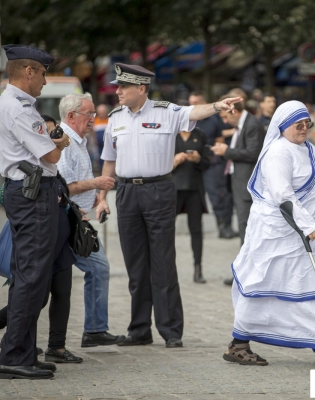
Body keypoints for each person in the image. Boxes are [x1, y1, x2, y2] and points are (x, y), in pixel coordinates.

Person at [96, 63, 241, 348]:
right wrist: (102, 197)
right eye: (118, 86)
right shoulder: (115, 118)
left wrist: (218, 104)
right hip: (126, 192)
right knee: (135, 265)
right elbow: (109, 160)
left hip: (158, 190)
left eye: (123, 86)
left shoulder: (166, 112)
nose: (118, 91)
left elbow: (194, 112)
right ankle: (139, 329)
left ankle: (170, 330)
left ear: (141, 88)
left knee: (162, 262)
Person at [223, 100, 315, 366]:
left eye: (307, 124)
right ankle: (239, 343)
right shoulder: (278, 152)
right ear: (282, 126)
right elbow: (283, 194)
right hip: (278, 235)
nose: (303, 128)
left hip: (311, 235)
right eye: (297, 124)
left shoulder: (310, 149)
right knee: (264, 285)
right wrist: (308, 224)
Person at [0, 115, 80, 369]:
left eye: (56, 133)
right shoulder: (28, 158)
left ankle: (55, 346)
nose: (53, 137)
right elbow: (7, 194)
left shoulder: (53, 158)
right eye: (49, 133)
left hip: (60, 236)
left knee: (62, 292)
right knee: (36, 294)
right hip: (40, 234)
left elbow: (61, 186)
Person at [0, 44, 70, 380]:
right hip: (33, 195)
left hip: (30, 193)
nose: (45, 81)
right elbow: (51, 156)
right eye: (42, 73)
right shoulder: (20, 108)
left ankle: (23, 352)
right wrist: (61, 143)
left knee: (30, 276)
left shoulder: (16, 104)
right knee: (32, 277)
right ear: (28, 72)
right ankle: (13, 356)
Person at [56, 94, 126, 348]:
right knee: (45, 284)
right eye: (89, 114)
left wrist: (95, 197)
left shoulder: (78, 140)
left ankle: (94, 330)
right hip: (66, 220)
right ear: (71, 116)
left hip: (76, 219)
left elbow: (77, 184)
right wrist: (96, 184)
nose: (93, 119)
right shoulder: (63, 141)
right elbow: (64, 187)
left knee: (95, 269)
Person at [210, 96, 265, 286]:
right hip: (238, 183)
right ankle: (244, 271)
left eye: (225, 116)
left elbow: (252, 153)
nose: (225, 121)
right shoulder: (243, 125)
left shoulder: (251, 124)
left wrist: (226, 151)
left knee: (247, 230)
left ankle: (245, 274)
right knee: (244, 229)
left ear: (234, 111)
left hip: (246, 185)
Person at [188, 91, 238, 239]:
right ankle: (221, 227)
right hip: (192, 164)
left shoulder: (214, 120)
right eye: (191, 103)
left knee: (221, 195)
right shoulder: (188, 119)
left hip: (213, 162)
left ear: (203, 102)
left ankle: (225, 227)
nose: (193, 106)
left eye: (196, 102)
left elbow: (220, 139)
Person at [173, 127, 210, 283]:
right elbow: (157, 162)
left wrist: (198, 159)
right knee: (166, 230)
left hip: (194, 188)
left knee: (196, 230)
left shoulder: (200, 134)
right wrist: (173, 162)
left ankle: (198, 268)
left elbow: (207, 163)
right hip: (173, 188)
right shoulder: (170, 134)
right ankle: (166, 269)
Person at [93, 104, 109, 172]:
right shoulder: (95, 120)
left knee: (108, 158)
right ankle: (101, 171)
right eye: (100, 113)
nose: (101, 114)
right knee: (100, 158)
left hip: (108, 145)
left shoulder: (109, 120)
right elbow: (93, 132)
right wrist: (94, 139)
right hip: (99, 145)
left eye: (103, 112)